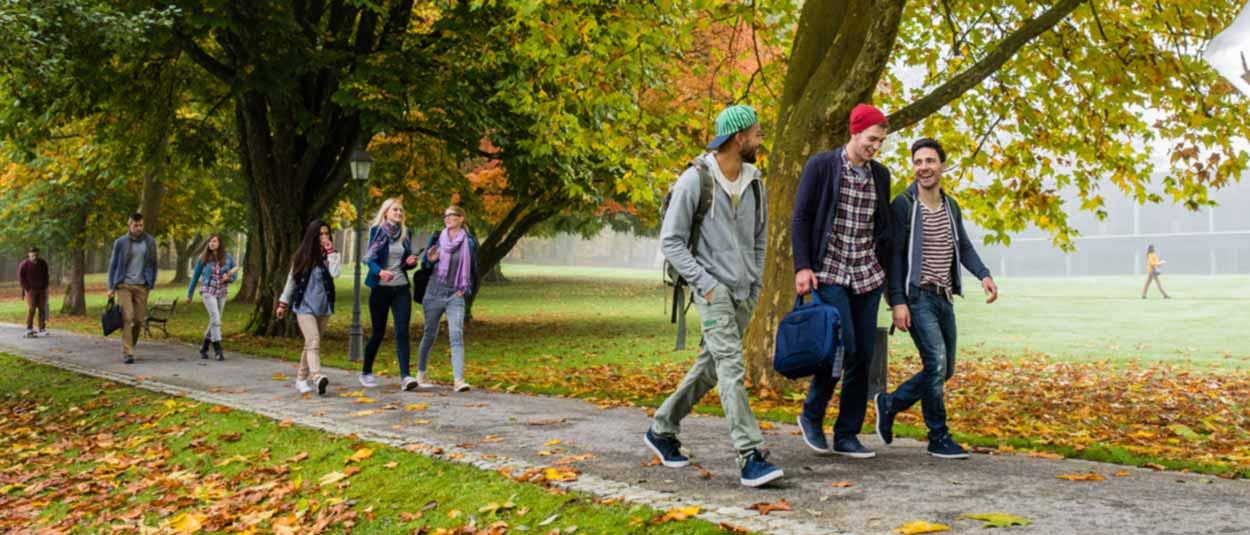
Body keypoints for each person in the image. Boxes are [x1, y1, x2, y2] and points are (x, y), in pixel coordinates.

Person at [643, 104, 782, 488]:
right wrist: (706, 283)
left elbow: (758, 240)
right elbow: (671, 242)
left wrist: (753, 283)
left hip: (743, 292)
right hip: (712, 291)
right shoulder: (695, 180)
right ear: (739, 138)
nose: (759, 139)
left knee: (710, 367)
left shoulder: (755, 183)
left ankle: (663, 428)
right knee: (731, 369)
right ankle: (749, 454)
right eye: (755, 133)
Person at [875, 138, 998, 459]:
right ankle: (938, 435)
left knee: (946, 369)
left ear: (942, 165)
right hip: (917, 297)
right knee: (936, 363)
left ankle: (890, 403)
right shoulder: (904, 205)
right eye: (918, 161)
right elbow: (895, 257)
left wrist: (983, 274)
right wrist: (897, 301)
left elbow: (965, 247)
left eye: (930, 161)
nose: (924, 167)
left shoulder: (949, 205)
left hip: (944, 298)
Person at [791, 103, 894, 459]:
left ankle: (847, 433)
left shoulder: (881, 175)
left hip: (866, 274)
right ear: (854, 132)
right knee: (841, 347)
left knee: (864, 356)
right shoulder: (822, 166)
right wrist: (802, 266)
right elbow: (802, 217)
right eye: (871, 139)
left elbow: (883, 228)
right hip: (830, 270)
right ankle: (811, 415)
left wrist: (886, 276)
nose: (875, 147)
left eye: (880, 141)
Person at [415, 204, 479, 392]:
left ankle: (458, 380)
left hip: (455, 295)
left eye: (452, 215)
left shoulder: (470, 242)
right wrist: (431, 259)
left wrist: (466, 290)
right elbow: (425, 265)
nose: (448, 218)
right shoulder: (437, 238)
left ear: (461, 218)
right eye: (446, 215)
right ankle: (420, 373)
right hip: (434, 293)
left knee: (456, 335)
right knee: (429, 335)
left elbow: (474, 269)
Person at [359, 197, 420, 390]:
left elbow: (404, 263)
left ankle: (405, 377)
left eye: (401, 211)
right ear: (386, 212)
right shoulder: (377, 232)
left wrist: (411, 262)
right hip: (380, 289)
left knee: (402, 331)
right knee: (378, 332)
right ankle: (366, 372)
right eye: (395, 210)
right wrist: (380, 272)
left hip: (401, 288)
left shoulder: (405, 233)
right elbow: (369, 259)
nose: (399, 213)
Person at [276, 220, 341, 396]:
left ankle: (300, 379)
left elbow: (335, 273)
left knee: (310, 343)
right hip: (304, 306)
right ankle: (317, 376)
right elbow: (292, 280)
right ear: (313, 236)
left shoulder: (331, 255)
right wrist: (283, 303)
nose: (325, 237)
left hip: (323, 306)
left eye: (327, 234)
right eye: (321, 234)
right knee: (313, 341)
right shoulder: (301, 256)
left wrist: (331, 253)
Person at [107, 213, 159, 364]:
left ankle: (130, 344)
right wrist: (111, 286)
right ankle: (127, 352)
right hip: (124, 285)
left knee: (138, 320)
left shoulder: (150, 242)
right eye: (136, 225)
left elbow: (154, 264)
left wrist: (151, 282)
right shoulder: (120, 242)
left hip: (142, 286)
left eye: (141, 225)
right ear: (129, 225)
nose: (138, 228)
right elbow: (113, 265)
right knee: (127, 317)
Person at [186, 234, 238, 361]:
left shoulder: (228, 256)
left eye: (214, 241)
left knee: (215, 319)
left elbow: (235, 273)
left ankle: (204, 346)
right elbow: (195, 277)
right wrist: (189, 294)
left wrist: (229, 277)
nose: (212, 243)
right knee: (215, 318)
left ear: (219, 243)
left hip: (222, 291)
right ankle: (218, 349)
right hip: (208, 290)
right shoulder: (203, 258)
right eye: (210, 241)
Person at [17, 247, 50, 338]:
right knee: (32, 308)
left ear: (38, 254)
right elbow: (21, 278)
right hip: (30, 290)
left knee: (42, 309)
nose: (34, 256)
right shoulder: (24, 264)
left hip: (42, 289)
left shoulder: (42, 263)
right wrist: (27, 288)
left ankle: (42, 329)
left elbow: (46, 275)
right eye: (32, 255)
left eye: (36, 255)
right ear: (29, 255)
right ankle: (29, 328)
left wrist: (45, 285)